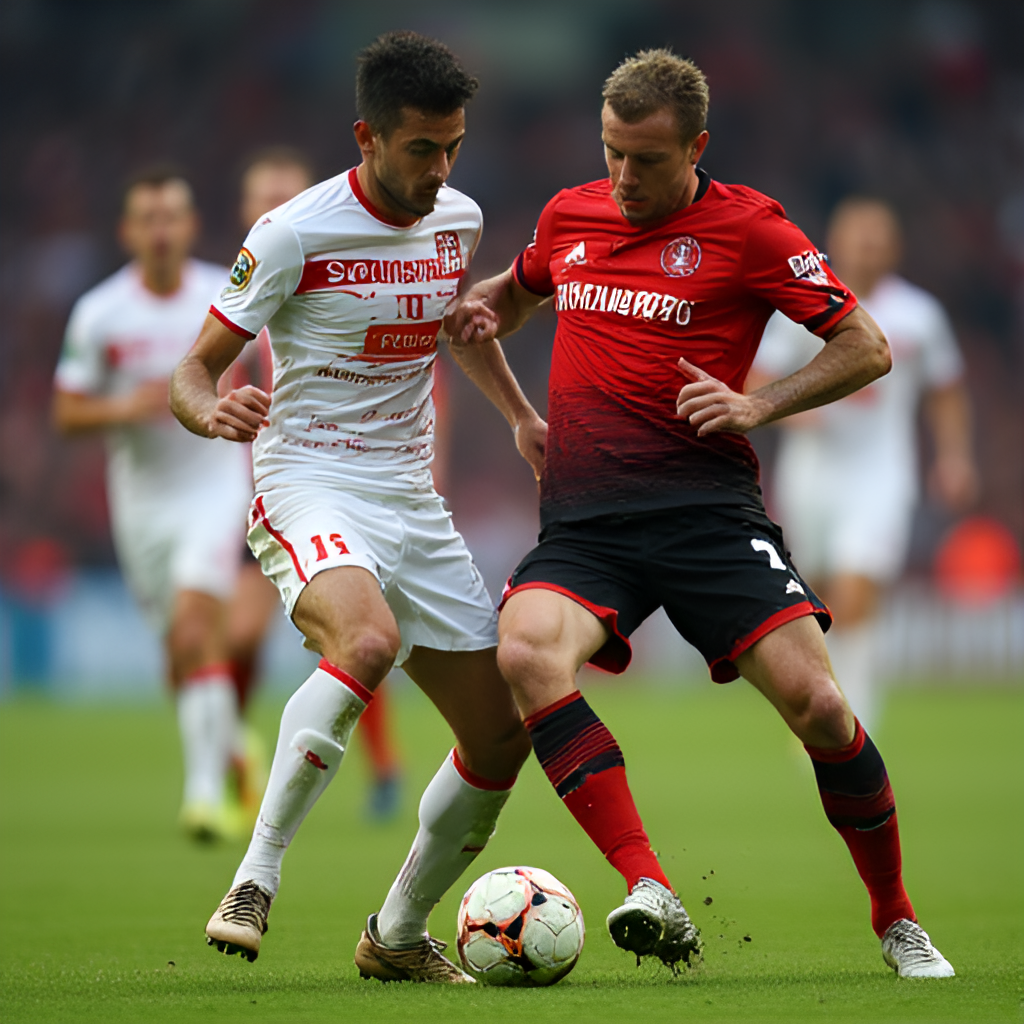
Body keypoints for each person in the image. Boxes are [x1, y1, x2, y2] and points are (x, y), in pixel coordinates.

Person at [445, 49, 955, 979]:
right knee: (524, 650)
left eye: (645, 160)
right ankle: (651, 889)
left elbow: (866, 346)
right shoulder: (570, 214)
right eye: (612, 154)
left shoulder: (752, 229)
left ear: (697, 148)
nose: (624, 178)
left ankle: (897, 919)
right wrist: (517, 407)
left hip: (709, 518)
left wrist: (756, 405)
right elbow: (497, 307)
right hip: (588, 525)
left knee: (823, 709)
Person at [170, 32, 540, 983]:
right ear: (367, 137)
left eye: (453, 146)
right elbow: (192, 370)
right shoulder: (293, 231)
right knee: (365, 643)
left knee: (502, 734)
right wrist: (213, 411)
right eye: (422, 148)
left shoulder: (457, 218)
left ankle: (400, 935)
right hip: (309, 478)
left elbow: (457, 330)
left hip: (410, 498)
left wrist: (520, 419)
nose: (440, 168)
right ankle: (255, 876)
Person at [52, 168, 253, 842]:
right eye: (149, 218)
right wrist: (124, 406)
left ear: (191, 227)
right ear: (129, 231)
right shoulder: (101, 312)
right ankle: (233, 750)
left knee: (199, 631)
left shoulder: (219, 292)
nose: (162, 230)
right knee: (178, 653)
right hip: (141, 503)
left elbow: (255, 370)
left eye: (173, 216)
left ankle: (206, 797)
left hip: (215, 488)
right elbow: (66, 411)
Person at [225, 146, 405, 821]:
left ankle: (383, 766)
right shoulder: (241, 285)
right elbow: (205, 371)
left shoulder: (338, 272)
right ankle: (228, 756)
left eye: (285, 192)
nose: (272, 204)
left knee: (359, 630)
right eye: (260, 194)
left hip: (339, 480)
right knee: (246, 637)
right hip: (258, 486)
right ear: (245, 210)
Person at [751, 198, 976, 730]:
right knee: (821, 603)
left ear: (895, 247)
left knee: (857, 592)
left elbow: (946, 390)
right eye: (858, 236)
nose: (868, 247)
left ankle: (853, 724)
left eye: (878, 237)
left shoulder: (918, 315)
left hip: (882, 475)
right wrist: (794, 414)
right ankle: (823, 712)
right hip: (811, 475)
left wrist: (954, 456)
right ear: (837, 240)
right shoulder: (802, 308)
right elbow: (757, 380)